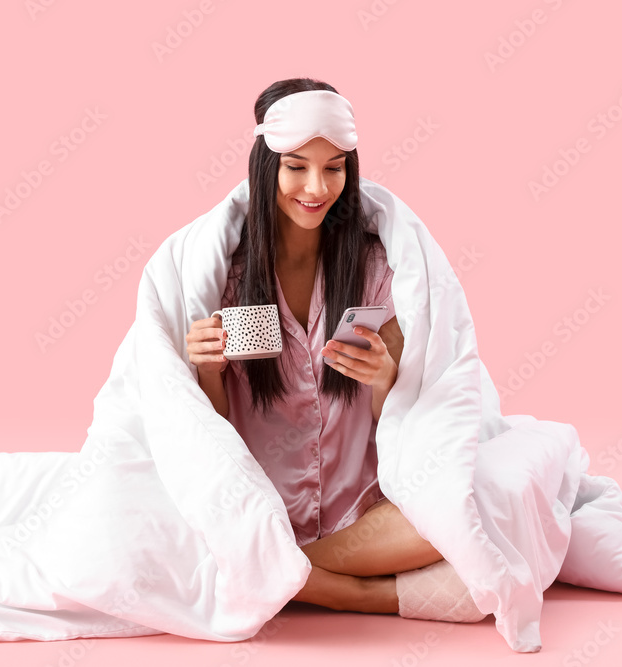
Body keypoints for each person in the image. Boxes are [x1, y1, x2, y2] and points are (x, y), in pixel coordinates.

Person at [185, 79, 446, 615]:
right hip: (264, 507)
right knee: (177, 531)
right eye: (297, 166)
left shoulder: (377, 268)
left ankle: (293, 574)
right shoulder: (232, 279)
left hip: (362, 511)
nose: (316, 187)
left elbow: (404, 421)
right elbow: (209, 431)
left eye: (334, 168)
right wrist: (207, 369)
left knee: (455, 516)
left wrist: (384, 377)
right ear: (267, 168)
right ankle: (358, 594)